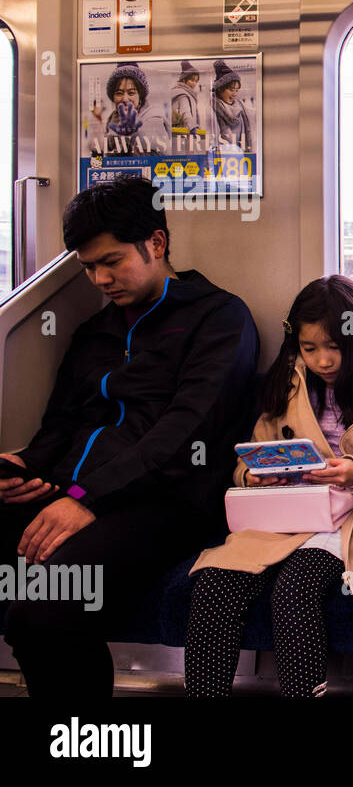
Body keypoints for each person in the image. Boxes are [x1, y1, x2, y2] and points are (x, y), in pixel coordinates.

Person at [0, 176, 259, 697]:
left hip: (167, 501)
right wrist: (22, 467)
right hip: (73, 490)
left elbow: (186, 434)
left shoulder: (219, 318)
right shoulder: (95, 333)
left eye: (111, 261)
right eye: (88, 266)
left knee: (45, 609)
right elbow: (62, 427)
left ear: (156, 244)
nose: (98, 279)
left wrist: (86, 498)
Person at [184, 276, 353, 697]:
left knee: (296, 588)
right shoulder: (287, 384)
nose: (323, 361)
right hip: (286, 511)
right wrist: (253, 476)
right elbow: (250, 456)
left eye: (334, 348)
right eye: (310, 349)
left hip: (352, 519)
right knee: (215, 584)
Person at [90, 63, 170, 155]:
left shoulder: (153, 120)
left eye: (131, 93)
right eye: (119, 93)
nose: (125, 99)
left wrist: (131, 136)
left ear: (141, 96)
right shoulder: (113, 118)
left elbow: (156, 161)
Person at [211, 60, 254, 152]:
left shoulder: (240, 107)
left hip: (239, 155)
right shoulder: (212, 107)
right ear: (220, 89)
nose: (234, 94)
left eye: (236, 90)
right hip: (221, 156)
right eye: (231, 90)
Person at [170, 60, 205, 136]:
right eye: (192, 80)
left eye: (196, 81)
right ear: (184, 79)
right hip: (185, 133)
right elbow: (185, 113)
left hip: (178, 133)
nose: (194, 83)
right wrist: (193, 128)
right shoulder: (183, 95)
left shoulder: (180, 92)